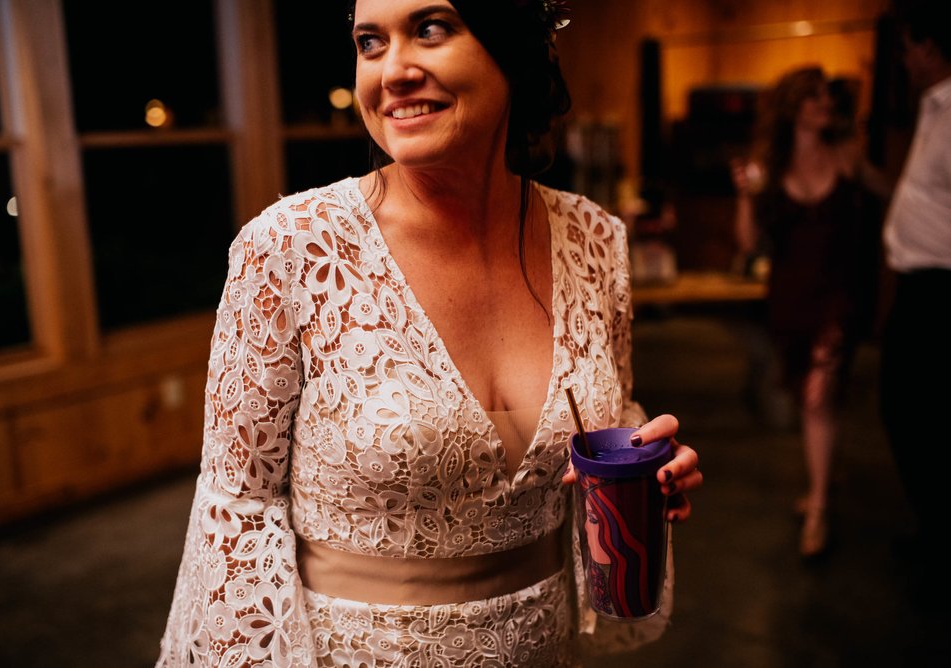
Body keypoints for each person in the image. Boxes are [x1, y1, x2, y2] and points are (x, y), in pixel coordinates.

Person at [155, 1, 702, 665]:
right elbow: (237, 511)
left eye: (431, 28)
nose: (393, 71)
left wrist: (648, 458)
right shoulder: (290, 250)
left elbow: (602, 416)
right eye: (369, 42)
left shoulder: (594, 240)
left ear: (513, 48)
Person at [731, 65, 886, 560]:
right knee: (814, 396)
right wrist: (745, 196)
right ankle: (825, 477)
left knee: (819, 394)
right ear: (794, 107)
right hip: (791, 298)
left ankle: (818, 506)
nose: (825, 105)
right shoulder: (768, 167)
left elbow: (897, 197)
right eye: (815, 98)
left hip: (840, 295)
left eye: (826, 99)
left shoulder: (847, 156)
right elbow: (749, 243)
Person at [879, 0, 951, 572]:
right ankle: (933, 530)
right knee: (911, 411)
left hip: (939, 292)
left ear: (927, 47)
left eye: (906, 46)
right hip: (917, 286)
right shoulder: (933, 107)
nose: (901, 59)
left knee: (916, 413)